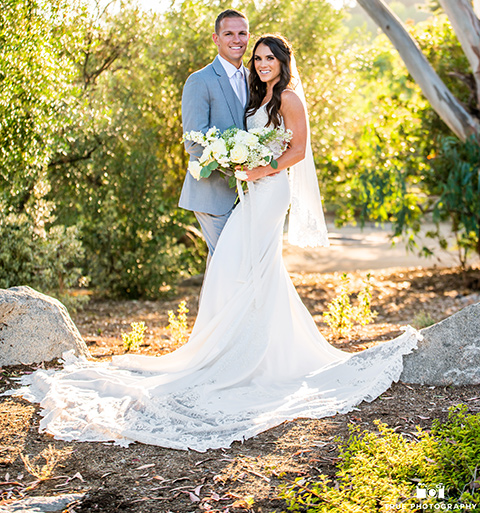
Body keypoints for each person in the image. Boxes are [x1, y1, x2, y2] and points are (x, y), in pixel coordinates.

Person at [16, 35, 420, 452]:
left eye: (269, 58)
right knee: (243, 266)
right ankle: (241, 347)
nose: (262, 64)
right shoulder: (256, 97)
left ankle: (249, 355)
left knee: (251, 263)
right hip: (252, 189)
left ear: (283, 61)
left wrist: (263, 168)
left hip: (270, 191)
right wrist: (235, 158)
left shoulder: (290, 100)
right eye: (258, 57)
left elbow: (298, 151)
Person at [179, 8, 250, 259]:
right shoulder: (199, 81)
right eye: (229, 33)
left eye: (242, 33)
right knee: (229, 263)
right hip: (212, 195)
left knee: (228, 268)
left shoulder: (255, 80)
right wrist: (237, 165)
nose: (236, 40)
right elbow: (193, 142)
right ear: (216, 38)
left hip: (249, 196)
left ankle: (210, 302)